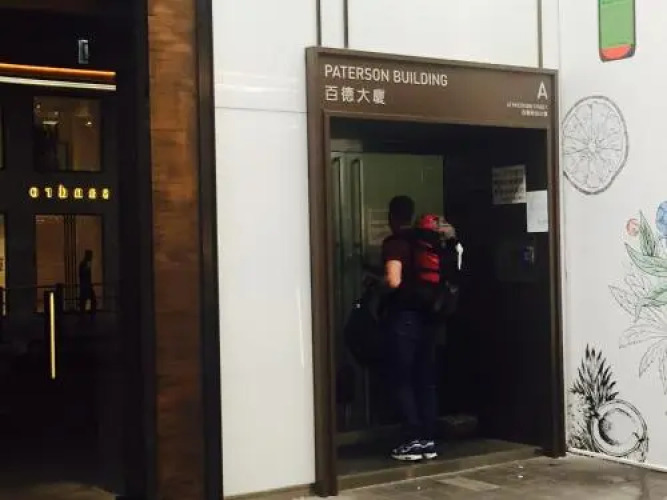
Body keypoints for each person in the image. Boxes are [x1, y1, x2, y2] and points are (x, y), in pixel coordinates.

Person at [381, 195, 439, 461]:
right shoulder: (424, 242)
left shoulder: (395, 243)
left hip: (404, 319)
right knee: (424, 379)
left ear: (392, 217)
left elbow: (393, 281)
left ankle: (412, 439)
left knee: (401, 378)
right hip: (428, 318)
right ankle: (428, 439)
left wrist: (376, 284)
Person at [78, 249, 97, 315]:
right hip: (86, 286)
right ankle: (88, 313)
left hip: (84, 286)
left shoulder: (83, 264)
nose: (91, 257)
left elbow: (82, 275)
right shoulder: (87, 264)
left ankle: (85, 313)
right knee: (90, 300)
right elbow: (86, 275)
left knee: (85, 300)